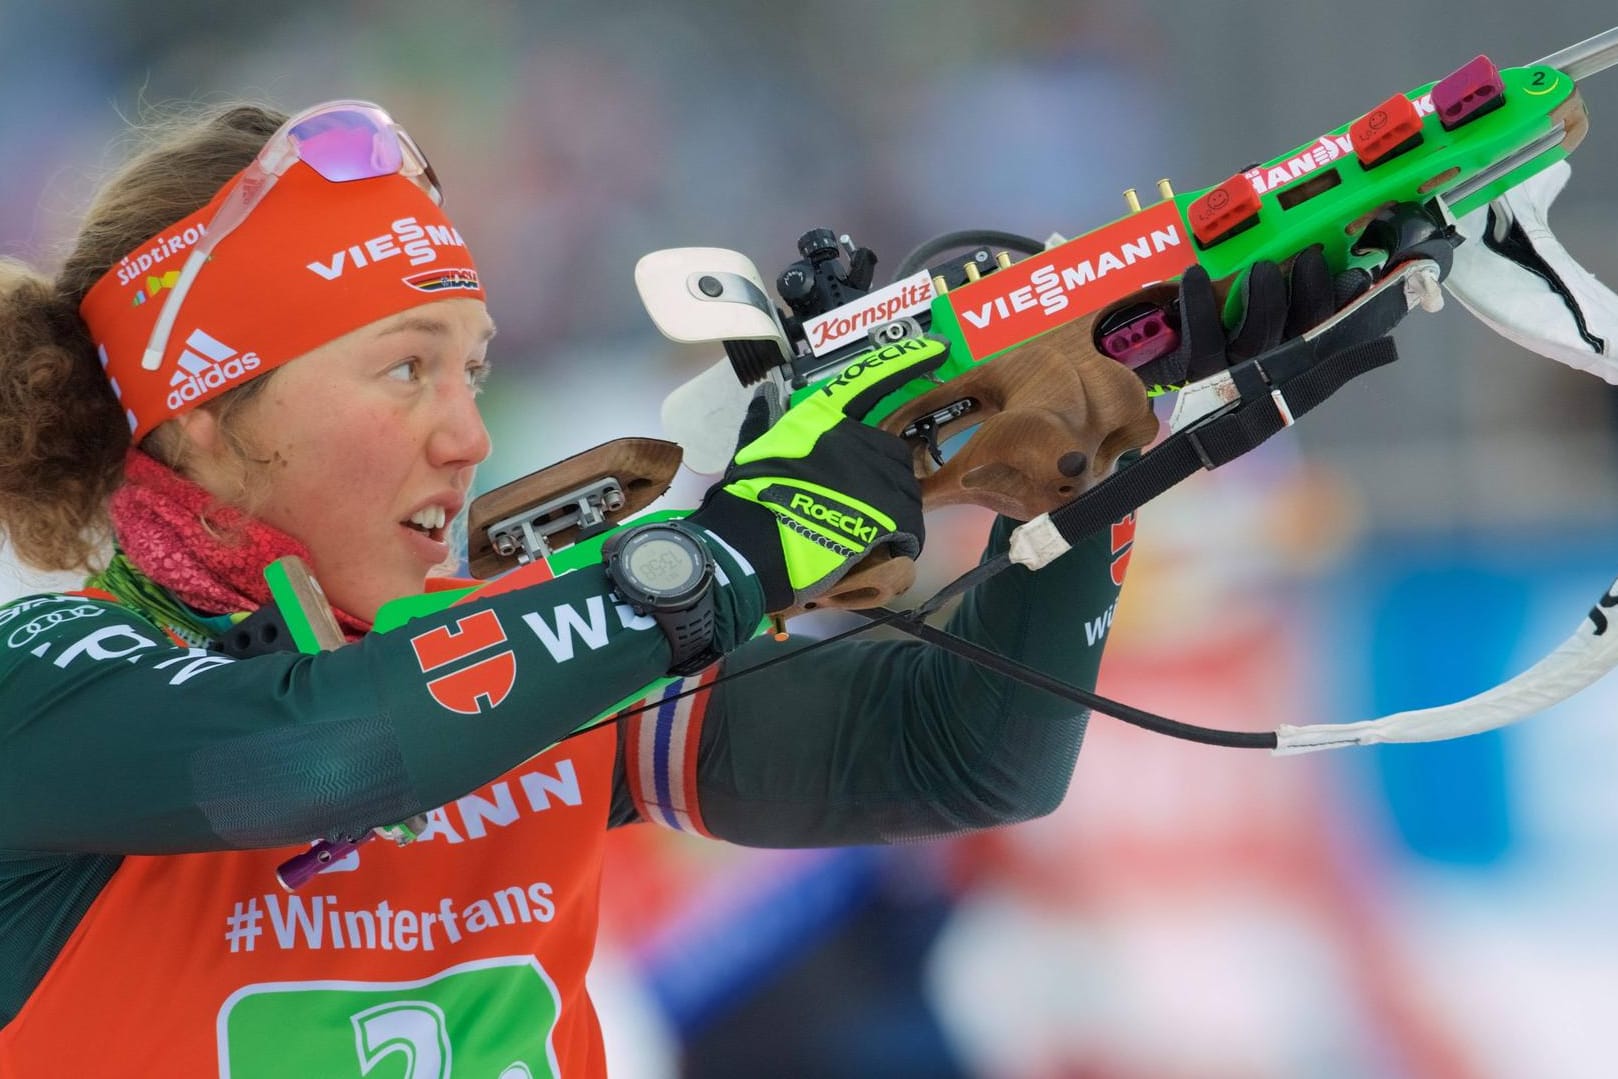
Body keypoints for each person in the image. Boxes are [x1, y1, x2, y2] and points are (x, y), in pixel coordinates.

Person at [0, 100, 1148, 1076]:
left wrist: (1104, 442)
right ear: (201, 409)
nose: (467, 435)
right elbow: (303, 756)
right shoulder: (38, 679)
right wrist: (726, 556)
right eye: (406, 367)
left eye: (474, 369)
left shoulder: (516, 660)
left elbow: (970, 750)